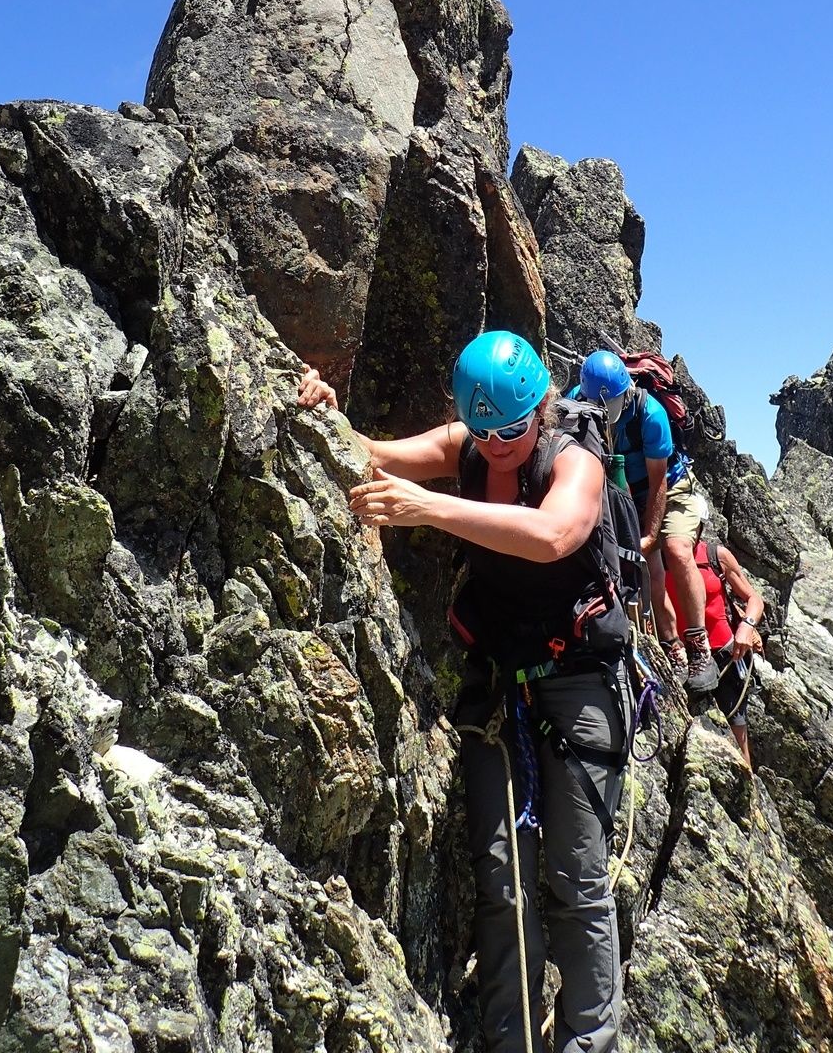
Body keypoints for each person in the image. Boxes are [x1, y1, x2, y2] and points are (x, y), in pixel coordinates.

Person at [303, 334, 627, 1053]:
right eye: (484, 432)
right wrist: (329, 414)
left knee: (577, 879)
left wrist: (432, 509)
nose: (501, 445)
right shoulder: (473, 446)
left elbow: (554, 534)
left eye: (513, 428)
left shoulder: (573, 457)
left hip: (577, 682)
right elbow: (372, 450)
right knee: (503, 879)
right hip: (499, 686)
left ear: (541, 408)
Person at [572, 350, 718, 692]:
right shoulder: (577, 405)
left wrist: (649, 535)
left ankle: (699, 647)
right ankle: (672, 648)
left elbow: (658, 485)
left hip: (668, 487)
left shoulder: (650, 414)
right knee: (647, 568)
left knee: (676, 550)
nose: (604, 415)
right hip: (619, 492)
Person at [664, 538, 764, 768]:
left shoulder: (714, 555)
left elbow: (754, 599)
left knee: (737, 734)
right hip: (683, 658)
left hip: (726, 654)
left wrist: (747, 626)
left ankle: (749, 795)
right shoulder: (659, 558)